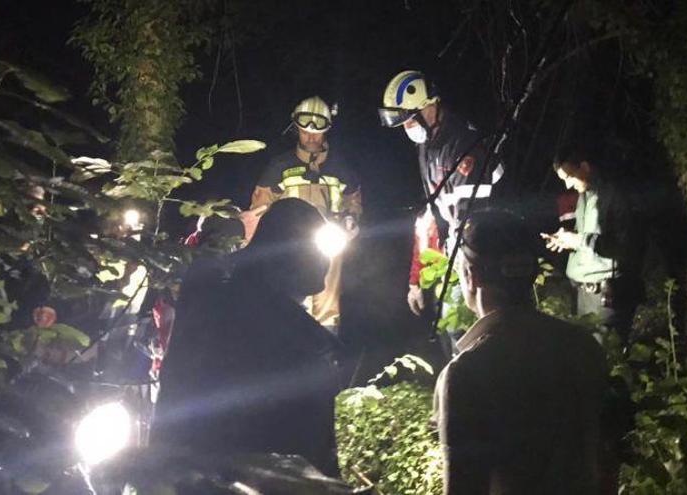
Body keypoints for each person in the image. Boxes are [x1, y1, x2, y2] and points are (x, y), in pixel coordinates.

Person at [154, 198, 342, 476]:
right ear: (292, 250)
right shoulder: (301, 341)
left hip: (182, 469)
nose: (327, 259)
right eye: (318, 247)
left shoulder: (212, 291)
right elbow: (309, 444)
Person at [435, 209, 609, 494]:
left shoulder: (466, 373)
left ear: (471, 275)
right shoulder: (583, 346)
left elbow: (463, 486)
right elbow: (605, 460)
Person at [378, 70, 502, 324]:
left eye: (410, 120)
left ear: (430, 106)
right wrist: (416, 279)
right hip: (456, 250)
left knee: (470, 329)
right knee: (451, 328)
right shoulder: (428, 145)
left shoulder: (464, 143)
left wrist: (466, 268)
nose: (407, 128)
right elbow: (432, 215)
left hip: (484, 253)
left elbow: (473, 217)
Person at [251, 96, 362, 331]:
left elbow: (354, 201)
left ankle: (328, 347)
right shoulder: (279, 167)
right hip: (288, 251)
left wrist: (351, 219)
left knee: (328, 308)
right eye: (305, 131)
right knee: (287, 308)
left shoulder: (341, 168)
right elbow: (258, 211)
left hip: (329, 248)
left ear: (327, 131)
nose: (311, 137)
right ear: (297, 129)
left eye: (317, 132)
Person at [542, 148, 645, 340]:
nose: (567, 184)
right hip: (584, 294)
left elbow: (625, 247)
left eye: (569, 176)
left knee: (605, 359)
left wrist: (579, 240)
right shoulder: (584, 196)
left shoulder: (616, 195)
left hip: (607, 296)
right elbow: (589, 238)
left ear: (585, 167)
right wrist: (567, 240)